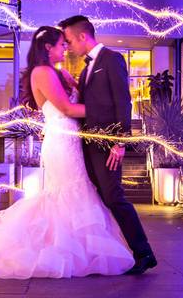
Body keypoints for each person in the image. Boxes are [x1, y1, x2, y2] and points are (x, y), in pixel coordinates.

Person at [0, 26, 136, 279]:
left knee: (77, 189)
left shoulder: (56, 73)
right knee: (67, 191)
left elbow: (79, 99)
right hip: (61, 140)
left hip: (71, 139)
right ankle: (60, 250)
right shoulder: (42, 72)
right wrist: (110, 110)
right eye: (62, 44)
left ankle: (80, 250)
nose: (66, 48)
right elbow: (68, 109)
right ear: (48, 48)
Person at [59, 15, 157, 275]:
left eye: (68, 40)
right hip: (88, 144)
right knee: (101, 198)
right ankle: (106, 252)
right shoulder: (86, 67)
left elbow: (123, 102)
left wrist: (120, 142)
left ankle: (143, 252)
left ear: (83, 36)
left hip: (107, 144)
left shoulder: (112, 60)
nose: (67, 46)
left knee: (114, 197)